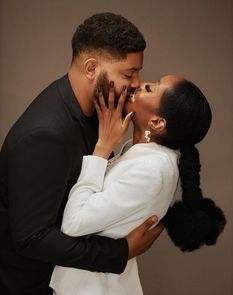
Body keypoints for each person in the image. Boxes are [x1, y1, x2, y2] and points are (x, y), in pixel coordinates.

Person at [0, 13, 165, 295]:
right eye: (128, 74)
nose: (137, 83)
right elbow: (32, 238)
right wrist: (119, 252)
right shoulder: (46, 135)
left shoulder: (98, 113)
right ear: (91, 68)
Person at [50, 75, 226, 294]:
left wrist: (102, 149)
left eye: (150, 88)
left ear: (157, 122)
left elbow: (73, 224)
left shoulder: (150, 170)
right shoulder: (143, 153)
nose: (138, 85)